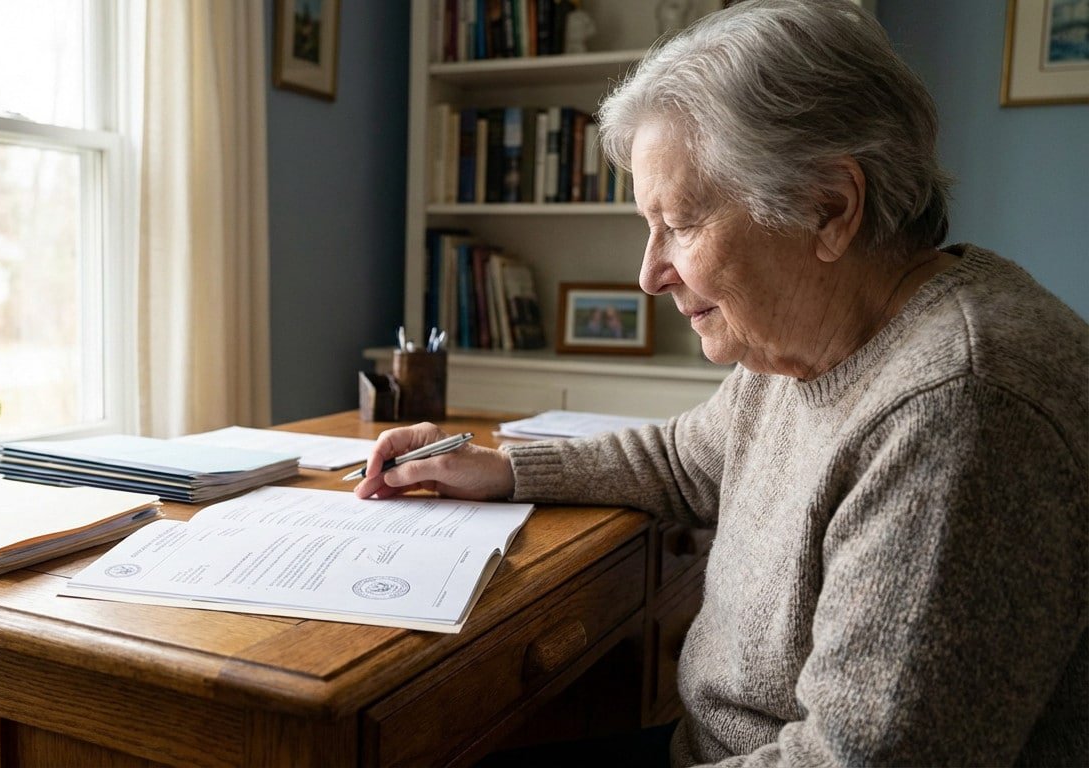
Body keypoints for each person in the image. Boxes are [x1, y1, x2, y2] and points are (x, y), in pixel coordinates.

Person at [354, 1, 1089, 765]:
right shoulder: (805, 342)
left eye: (681, 222)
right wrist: (505, 469)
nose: (648, 274)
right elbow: (682, 457)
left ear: (829, 208)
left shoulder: (959, 412)